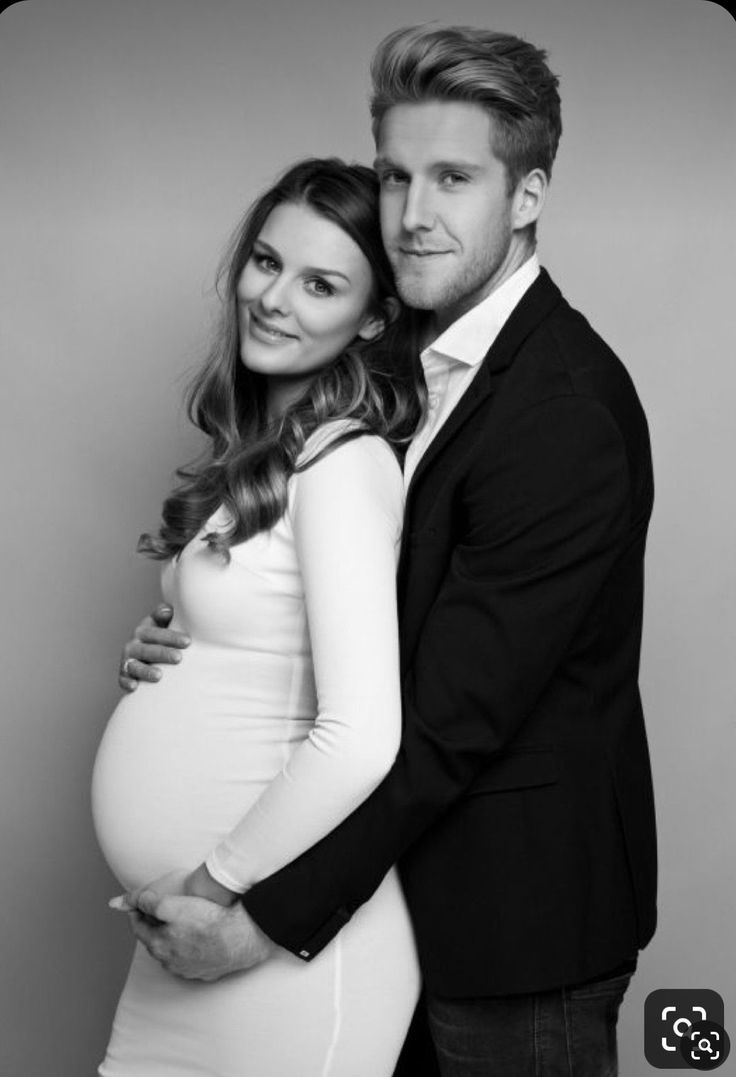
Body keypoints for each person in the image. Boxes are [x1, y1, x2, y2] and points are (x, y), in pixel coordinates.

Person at [120, 25, 657, 1077]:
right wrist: (190, 658)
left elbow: (454, 718)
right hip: (391, 901)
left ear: (528, 194)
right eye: (396, 175)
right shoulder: (409, 357)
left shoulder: (561, 411)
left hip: (513, 927)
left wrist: (261, 917)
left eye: (453, 179)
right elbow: (346, 613)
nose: (412, 216)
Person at [92, 157, 426, 1076]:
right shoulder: (260, 455)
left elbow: (362, 734)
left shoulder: (343, 461)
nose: (274, 298)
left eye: (321, 284)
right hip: (184, 943)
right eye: (267, 262)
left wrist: (210, 889)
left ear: (373, 318)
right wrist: (162, 656)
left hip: (264, 947)